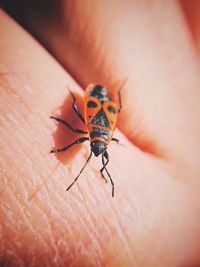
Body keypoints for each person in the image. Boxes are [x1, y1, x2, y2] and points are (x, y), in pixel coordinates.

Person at [0, 1, 200, 266]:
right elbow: (73, 127)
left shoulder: (102, 137)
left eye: (99, 151)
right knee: (77, 122)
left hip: (99, 102)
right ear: (101, 142)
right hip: (100, 102)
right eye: (98, 151)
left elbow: (76, 127)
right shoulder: (97, 135)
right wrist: (62, 142)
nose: (96, 152)